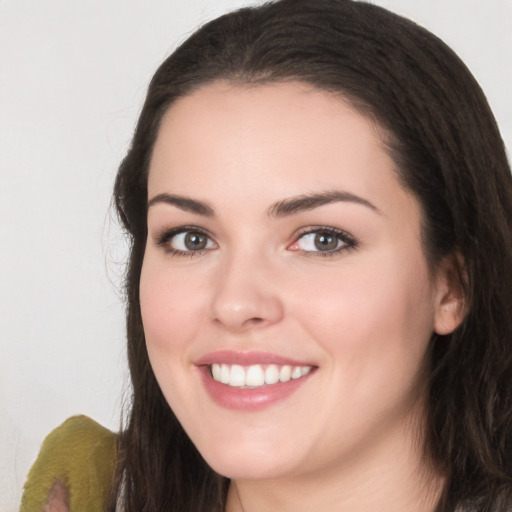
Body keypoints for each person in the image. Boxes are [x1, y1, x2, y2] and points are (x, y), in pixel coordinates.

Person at [20, 0, 512, 511]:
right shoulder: (81, 494)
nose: (234, 303)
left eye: (322, 239)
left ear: (452, 286)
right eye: (191, 238)